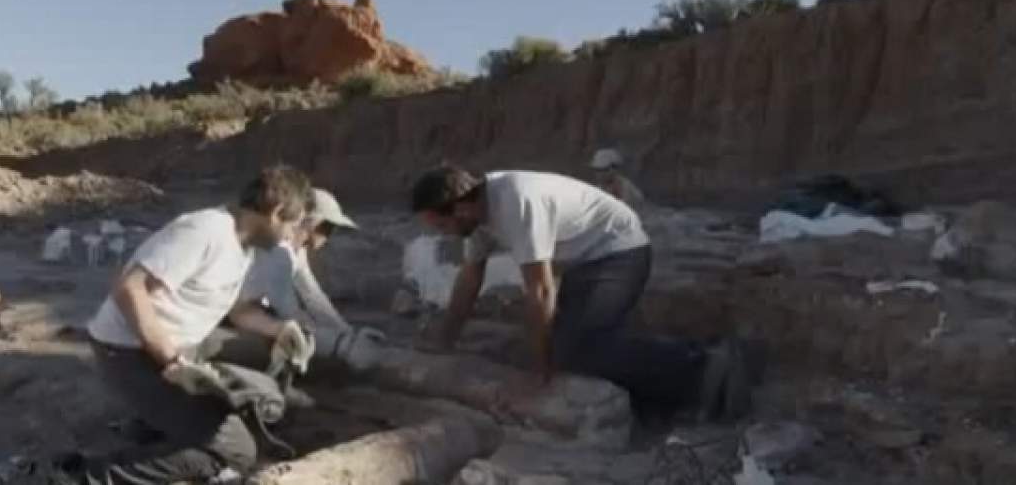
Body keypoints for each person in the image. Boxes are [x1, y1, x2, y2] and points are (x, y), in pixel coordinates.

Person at [410, 166, 750, 420]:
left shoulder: (516, 202)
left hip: (620, 254)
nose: (445, 234)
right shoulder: (479, 215)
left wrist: (540, 372)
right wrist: (444, 340)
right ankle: (657, 398)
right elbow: (470, 279)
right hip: (586, 264)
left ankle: (703, 366)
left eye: (442, 226)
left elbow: (541, 290)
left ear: (460, 208)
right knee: (572, 344)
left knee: (577, 351)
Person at [78, 165, 317, 485]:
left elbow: (238, 311)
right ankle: (81, 475)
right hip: (127, 351)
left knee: (265, 352)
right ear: (275, 212)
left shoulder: (243, 246)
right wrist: (173, 361)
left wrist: (281, 331)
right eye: (294, 223)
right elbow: (129, 288)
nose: (294, 235)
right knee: (236, 452)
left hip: (178, 343)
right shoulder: (205, 231)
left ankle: (162, 421)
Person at [216, 188, 385, 374]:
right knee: (290, 342)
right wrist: (342, 345)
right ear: (313, 223)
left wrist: (347, 332)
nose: (329, 235)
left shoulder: (296, 250)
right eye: (327, 228)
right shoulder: (278, 253)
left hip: (246, 310)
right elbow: (288, 313)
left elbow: (312, 295)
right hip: (227, 319)